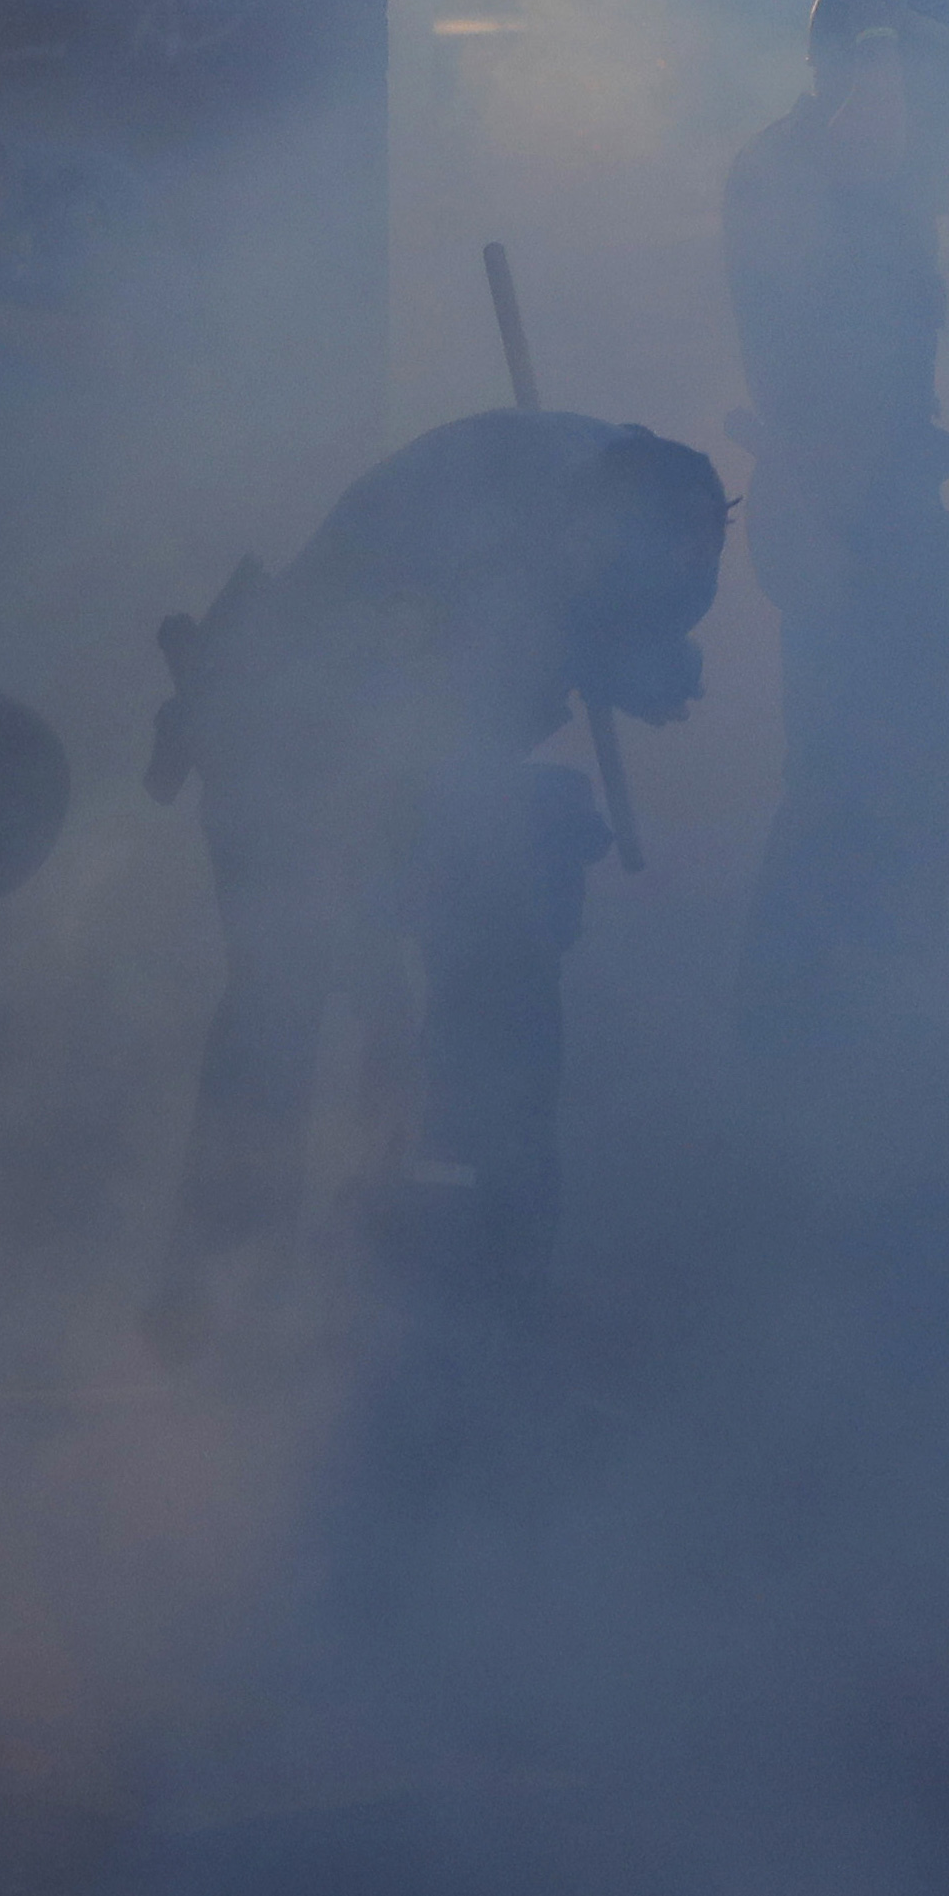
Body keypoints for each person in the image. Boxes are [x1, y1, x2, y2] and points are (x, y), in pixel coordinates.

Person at [148, 410, 727, 1356]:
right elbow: (411, 748)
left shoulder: (635, 494)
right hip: (286, 733)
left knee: (490, 980)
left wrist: (630, 654)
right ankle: (221, 1295)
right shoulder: (479, 558)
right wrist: (592, 673)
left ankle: (458, 1275)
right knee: (287, 996)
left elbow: (580, 632)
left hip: (393, 734)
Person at [722, 0, 949, 1062]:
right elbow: (858, 150)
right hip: (832, 521)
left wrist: (943, 52)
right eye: (909, 71)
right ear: (852, 66)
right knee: (845, 778)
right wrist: (881, 42)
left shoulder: (889, 167)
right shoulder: (790, 168)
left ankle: (865, 1028)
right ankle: (786, 1046)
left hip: (886, 514)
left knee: (916, 761)